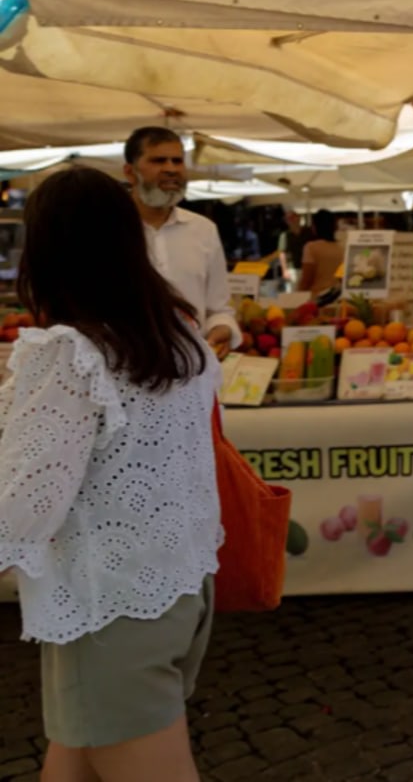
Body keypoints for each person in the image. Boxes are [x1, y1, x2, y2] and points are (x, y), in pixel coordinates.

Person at [0, 166, 221, 782]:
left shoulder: (71, 353)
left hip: (111, 608)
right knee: (76, 759)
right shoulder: (181, 337)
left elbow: (24, 505)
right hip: (176, 589)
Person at [123, 127, 238, 357]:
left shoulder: (203, 230)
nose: (171, 169)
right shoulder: (104, 227)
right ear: (130, 172)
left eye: (177, 161)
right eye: (158, 160)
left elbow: (218, 308)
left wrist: (222, 328)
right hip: (123, 364)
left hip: (191, 367)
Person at [296, 209, 343, 299]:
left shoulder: (311, 247)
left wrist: (298, 295)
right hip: (336, 297)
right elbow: (341, 277)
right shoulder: (340, 249)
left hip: (317, 298)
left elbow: (306, 280)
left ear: (315, 227)